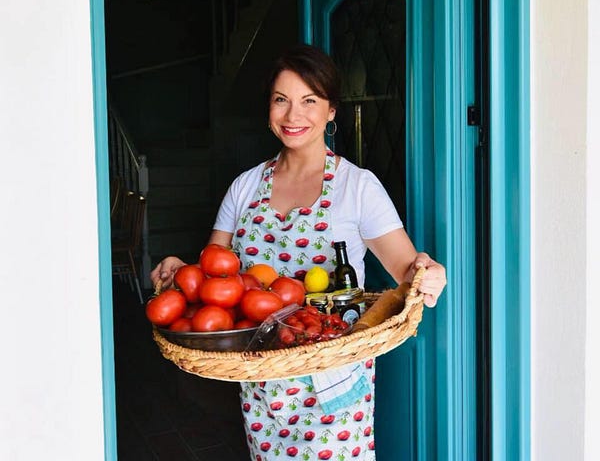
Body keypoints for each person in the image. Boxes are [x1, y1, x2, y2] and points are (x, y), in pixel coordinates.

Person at [151, 43, 447, 460]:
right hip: (262, 382)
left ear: (331, 111)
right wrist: (179, 271)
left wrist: (428, 271)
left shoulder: (357, 186)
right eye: (281, 100)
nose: (293, 116)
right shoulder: (245, 187)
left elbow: (406, 270)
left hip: (333, 383)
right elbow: (211, 276)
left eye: (309, 101)